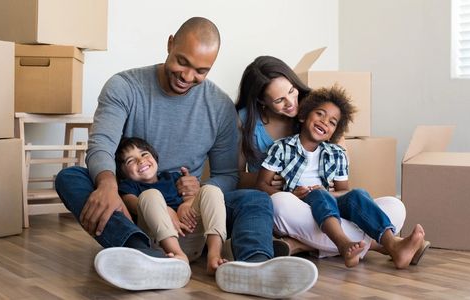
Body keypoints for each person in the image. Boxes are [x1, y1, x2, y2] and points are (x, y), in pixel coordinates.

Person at [55, 17, 318, 298]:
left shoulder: (218, 106)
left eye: (201, 71)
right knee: (70, 178)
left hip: (191, 212)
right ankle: (141, 253)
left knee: (255, 198)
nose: (188, 76)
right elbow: (102, 144)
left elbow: (227, 174)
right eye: (182, 62)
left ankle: (253, 265)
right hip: (133, 202)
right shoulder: (124, 86)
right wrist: (107, 184)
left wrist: (197, 195)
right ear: (170, 44)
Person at [235, 56, 430, 265]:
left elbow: (343, 188)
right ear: (261, 101)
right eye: (279, 100)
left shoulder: (320, 112)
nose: (292, 103)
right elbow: (240, 178)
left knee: (394, 206)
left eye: (291, 91)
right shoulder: (269, 138)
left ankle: (300, 244)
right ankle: (382, 245)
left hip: (329, 205)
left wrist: (330, 193)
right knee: (281, 203)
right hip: (290, 205)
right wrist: (283, 187)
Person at [114, 136, 227, 274]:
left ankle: (214, 256)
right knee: (150, 195)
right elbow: (133, 205)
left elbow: (192, 197)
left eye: (144, 154)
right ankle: (178, 255)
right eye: (131, 160)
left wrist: (186, 204)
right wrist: (166, 210)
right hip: (161, 245)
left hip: (190, 236)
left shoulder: (172, 177)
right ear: (122, 172)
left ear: (155, 158)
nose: (141, 160)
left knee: (211, 190)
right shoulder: (128, 186)